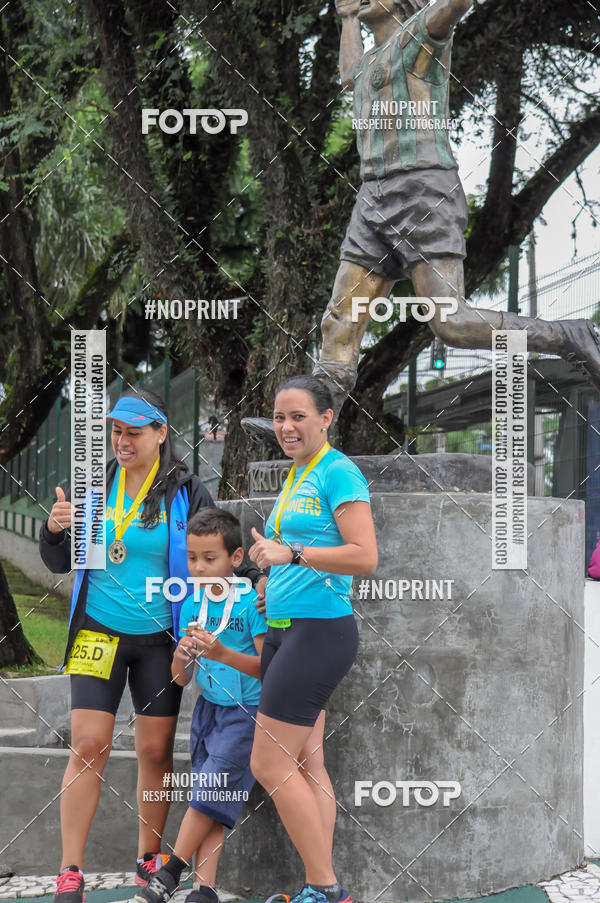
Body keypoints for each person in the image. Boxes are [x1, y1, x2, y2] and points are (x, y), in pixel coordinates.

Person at [312, 0, 600, 416]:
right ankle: (310, 429)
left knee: (452, 323)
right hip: (372, 196)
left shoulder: (421, 35)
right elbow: (348, 76)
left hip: (423, 189)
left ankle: (567, 336)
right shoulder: (368, 60)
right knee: (340, 321)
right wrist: (346, 20)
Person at [39, 389, 265, 903]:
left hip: (161, 639)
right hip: (98, 631)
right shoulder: (93, 486)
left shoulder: (187, 491)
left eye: (133, 432)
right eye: (116, 431)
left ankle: (150, 859)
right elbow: (57, 560)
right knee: (89, 744)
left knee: (155, 749)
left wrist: (258, 578)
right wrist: (54, 531)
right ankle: (69, 870)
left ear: (160, 433)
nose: (122, 441)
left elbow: (219, 548)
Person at [247, 375, 378, 903]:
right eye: (279, 417)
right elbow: (292, 551)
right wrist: (268, 579)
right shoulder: (299, 473)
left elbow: (364, 555)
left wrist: (292, 556)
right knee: (305, 762)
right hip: (286, 628)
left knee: (268, 763)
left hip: (320, 632)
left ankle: (327, 890)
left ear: (326, 419)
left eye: (298, 416)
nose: (286, 426)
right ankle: (317, 888)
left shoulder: (338, 471)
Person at [133, 507, 267, 903]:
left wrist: (223, 653)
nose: (199, 568)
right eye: (192, 559)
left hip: (246, 712)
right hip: (207, 711)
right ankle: (204, 888)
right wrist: (183, 655)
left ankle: (171, 870)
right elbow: (180, 678)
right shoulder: (191, 605)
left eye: (210, 559)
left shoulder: (251, 604)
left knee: (206, 793)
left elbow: (267, 669)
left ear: (236, 559)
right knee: (215, 800)